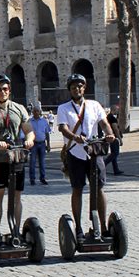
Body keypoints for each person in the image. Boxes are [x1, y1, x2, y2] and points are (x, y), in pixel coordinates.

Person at [56, 74, 116, 242]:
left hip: (93, 151)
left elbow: (103, 123)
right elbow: (62, 128)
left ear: (85, 88)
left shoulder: (94, 105)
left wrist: (109, 134)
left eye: (80, 86)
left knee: (99, 188)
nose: (77, 89)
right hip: (75, 152)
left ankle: (102, 226)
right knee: (78, 188)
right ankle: (79, 228)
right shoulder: (64, 108)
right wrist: (74, 137)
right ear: (70, 90)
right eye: (74, 87)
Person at [0, 75, 35, 244]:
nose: (2, 92)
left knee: (17, 196)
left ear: (9, 90)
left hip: (16, 157)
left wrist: (30, 140)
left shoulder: (19, 108)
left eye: (5, 89)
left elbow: (29, 130)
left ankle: (16, 231)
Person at [29, 105, 52, 185]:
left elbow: (47, 133)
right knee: (32, 162)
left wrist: (48, 144)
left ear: (40, 112)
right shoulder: (30, 121)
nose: (36, 112)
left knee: (42, 162)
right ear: (32, 112)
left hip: (42, 143)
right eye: (34, 111)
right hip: (33, 144)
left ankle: (42, 178)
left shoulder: (44, 121)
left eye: (37, 111)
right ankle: (32, 179)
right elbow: (27, 133)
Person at [104, 105, 124, 175]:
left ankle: (116, 169)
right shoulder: (112, 118)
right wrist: (120, 139)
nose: (117, 111)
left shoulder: (108, 117)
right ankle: (103, 164)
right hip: (114, 137)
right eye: (117, 110)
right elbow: (115, 129)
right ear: (114, 109)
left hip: (109, 136)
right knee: (115, 153)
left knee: (113, 153)